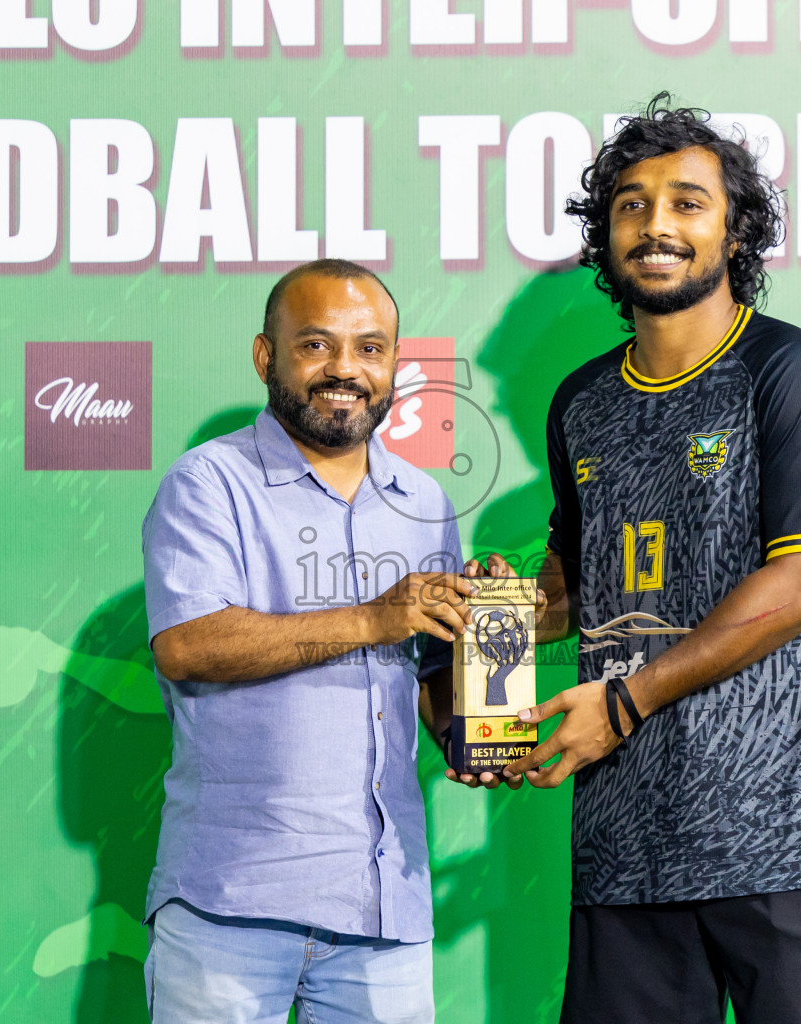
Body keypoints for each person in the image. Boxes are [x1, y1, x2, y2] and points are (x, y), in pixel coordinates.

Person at [461, 94, 801, 1023]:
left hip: (784, 839)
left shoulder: (790, 371)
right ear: (605, 236)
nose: (657, 225)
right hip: (624, 843)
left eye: (688, 202)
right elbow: (578, 584)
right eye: (632, 204)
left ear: (736, 231)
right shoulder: (580, 402)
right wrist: (485, 637)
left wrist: (622, 702)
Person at [141, 259, 473, 1023]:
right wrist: (373, 617)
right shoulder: (208, 482)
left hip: (386, 909)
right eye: (316, 346)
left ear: (394, 365)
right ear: (267, 357)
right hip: (232, 901)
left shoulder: (424, 500)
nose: (345, 370)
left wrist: (476, 732)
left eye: (369, 348)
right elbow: (188, 646)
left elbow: (425, 671)